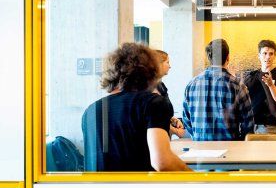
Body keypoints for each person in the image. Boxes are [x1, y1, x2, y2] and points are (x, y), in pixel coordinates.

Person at [81, 43, 191, 171]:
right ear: (149, 70)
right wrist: (193, 176)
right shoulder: (153, 103)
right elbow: (162, 162)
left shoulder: (90, 111)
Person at [183, 39, 254, 141]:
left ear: (208, 57)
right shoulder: (237, 86)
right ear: (228, 57)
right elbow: (248, 124)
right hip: (230, 151)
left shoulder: (192, 84)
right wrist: (239, 143)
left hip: (199, 151)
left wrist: (197, 138)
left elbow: (186, 120)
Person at [242, 40, 276, 135]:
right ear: (259, 55)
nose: (268, 57)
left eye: (271, 54)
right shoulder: (250, 76)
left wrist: (271, 85)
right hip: (248, 125)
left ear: (275, 56)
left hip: (269, 127)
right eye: (265, 53)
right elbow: (241, 100)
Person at [153, 50, 185, 138]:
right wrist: (176, 132)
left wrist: (172, 119)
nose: (170, 66)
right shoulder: (150, 88)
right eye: (167, 62)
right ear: (158, 64)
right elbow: (155, 120)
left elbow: (161, 113)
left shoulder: (161, 86)